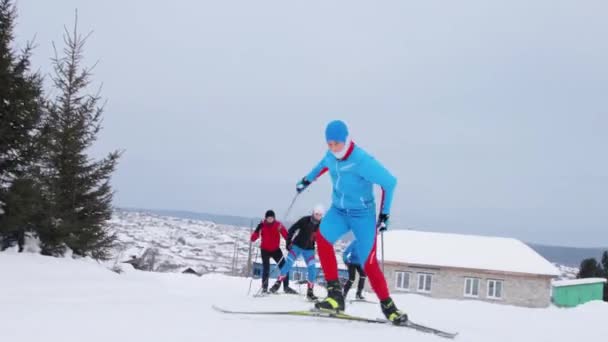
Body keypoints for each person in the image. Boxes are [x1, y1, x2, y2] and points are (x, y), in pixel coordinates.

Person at [295, 120, 408, 324]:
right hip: (338, 211)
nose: (333, 148)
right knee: (322, 239)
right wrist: (306, 180)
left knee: (368, 262)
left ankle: (389, 307)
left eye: (337, 143)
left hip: (362, 215)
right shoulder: (331, 156)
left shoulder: (362, 160)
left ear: (346, 140)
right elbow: (322, 167)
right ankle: (335, 296)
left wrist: (385, 214)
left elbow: (389, 183)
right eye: (329, 144)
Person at [269, 205, 324, 300]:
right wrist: (288, 242)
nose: (318, 216)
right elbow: (292, 230)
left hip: (309, 250)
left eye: (320, 215)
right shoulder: (305, 220)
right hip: (297, 246)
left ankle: (310, 292)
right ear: (313, 213)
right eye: (316, 214)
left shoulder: (322, 224)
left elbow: (322, 238)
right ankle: (277, 284)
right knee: (288, 264)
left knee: (312, 269)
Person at [250, 209, 294, 294]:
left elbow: (286, 235)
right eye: (268, 218)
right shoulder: (262, 225)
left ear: (274, 218)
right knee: (266, 269)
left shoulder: (278, 225)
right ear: (266, 218)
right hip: (265, 250)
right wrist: (257, 230)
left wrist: (290, 243)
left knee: (285, 267)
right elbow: (253, 239)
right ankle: (264, 288)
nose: (270, 219)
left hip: (275, 250)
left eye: (271, 218)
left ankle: (286, 287)